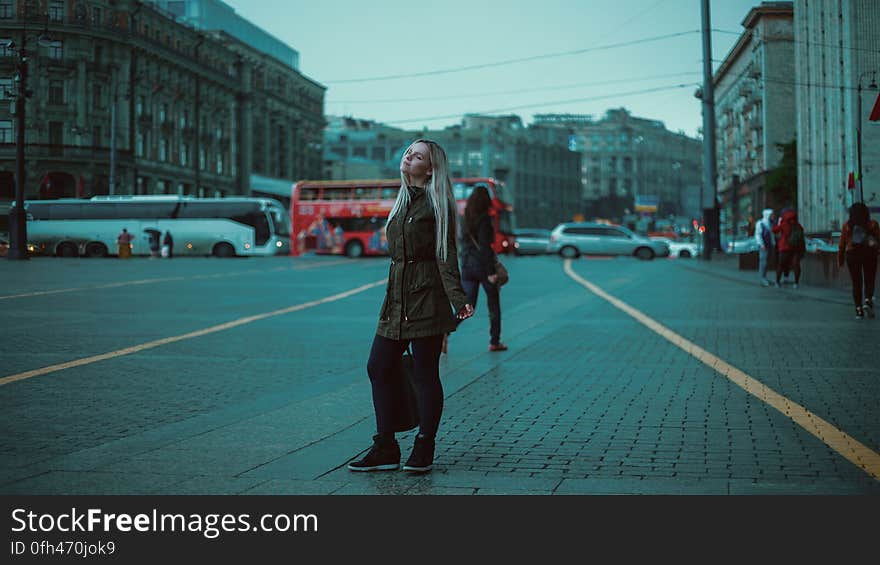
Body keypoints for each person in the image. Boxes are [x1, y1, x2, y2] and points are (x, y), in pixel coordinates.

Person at [347, 139, 474, 474]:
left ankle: (424, 444)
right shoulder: (401, 202)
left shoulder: (437, 205)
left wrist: (458, 299)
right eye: (407, 152)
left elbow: (445, 255)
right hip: (396, 298)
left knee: (425, 373)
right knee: (378, 366)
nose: (408, 158)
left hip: (427, 298)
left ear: (430, 168)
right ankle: (386, 447)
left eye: (418, 156)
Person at [457, 184, 506, 352]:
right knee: (493, 304)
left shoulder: (464, 219)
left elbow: (463, 244)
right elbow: (485, 246)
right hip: (483, 268)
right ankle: (495, 341)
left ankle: (445, 331)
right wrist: (491, 272)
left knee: (468, 306)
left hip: (467, 267)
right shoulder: (484, 219)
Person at [838, 202, 880, 319]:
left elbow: (842, 244)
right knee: (869, 279)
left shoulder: (847, 226)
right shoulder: (872, 224)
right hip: (869, 254)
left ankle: (858, 310)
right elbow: (878, 240)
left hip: (852, 255)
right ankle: (867, 300)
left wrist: (840, 260)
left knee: (856, 283)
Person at [772, 208, 806, 288]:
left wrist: (779, 222)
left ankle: (777, 282)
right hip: (795, 247)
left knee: (781, 264)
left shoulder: (784, 223)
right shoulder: (797, 225)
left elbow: (774, 230)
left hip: (785, 247)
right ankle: (796, 283)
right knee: (796, 265)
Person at [754, 208, 775, 286]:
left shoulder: (770, 224)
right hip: (763, 245)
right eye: (772, 215)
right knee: (763, 262)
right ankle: (762, 278)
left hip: (769, 245)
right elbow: (758, 235)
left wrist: (773, 243)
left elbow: (772, 235)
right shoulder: (760, 223)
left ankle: (764, 277)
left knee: (767, 261)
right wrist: (761, 244)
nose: (773, 216)